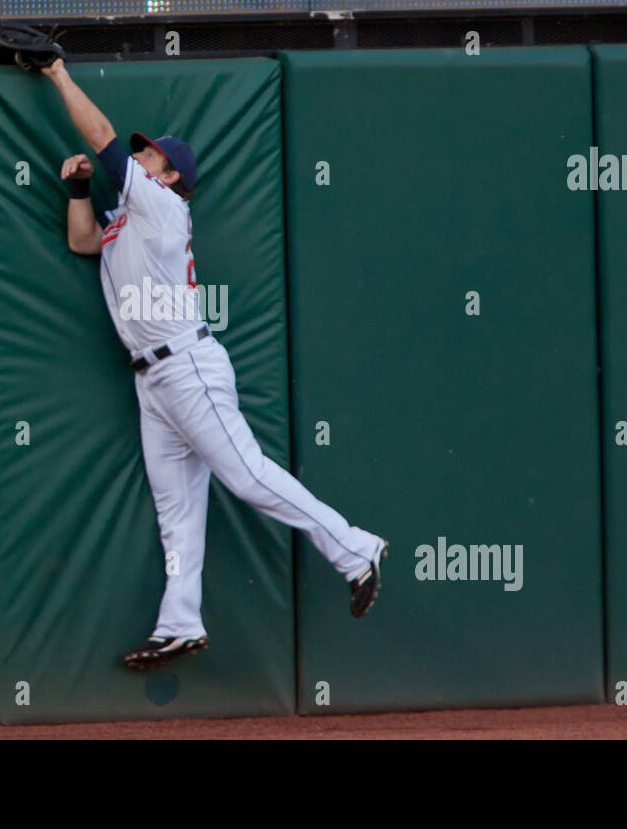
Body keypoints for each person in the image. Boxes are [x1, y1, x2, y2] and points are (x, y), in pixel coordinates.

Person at [41, 58, 387, 670]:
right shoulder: (127, 218)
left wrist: (57, 72)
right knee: (176, 512)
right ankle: (180, 621)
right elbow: (83, 241)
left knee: (248, 475)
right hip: (152, 379)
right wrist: (76, 192)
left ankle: (355, 548)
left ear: (169, 176)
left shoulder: (163, 208)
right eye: (141, 154)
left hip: (187, 366)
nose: (139, 158)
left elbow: (102, 138)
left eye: (149, 157)